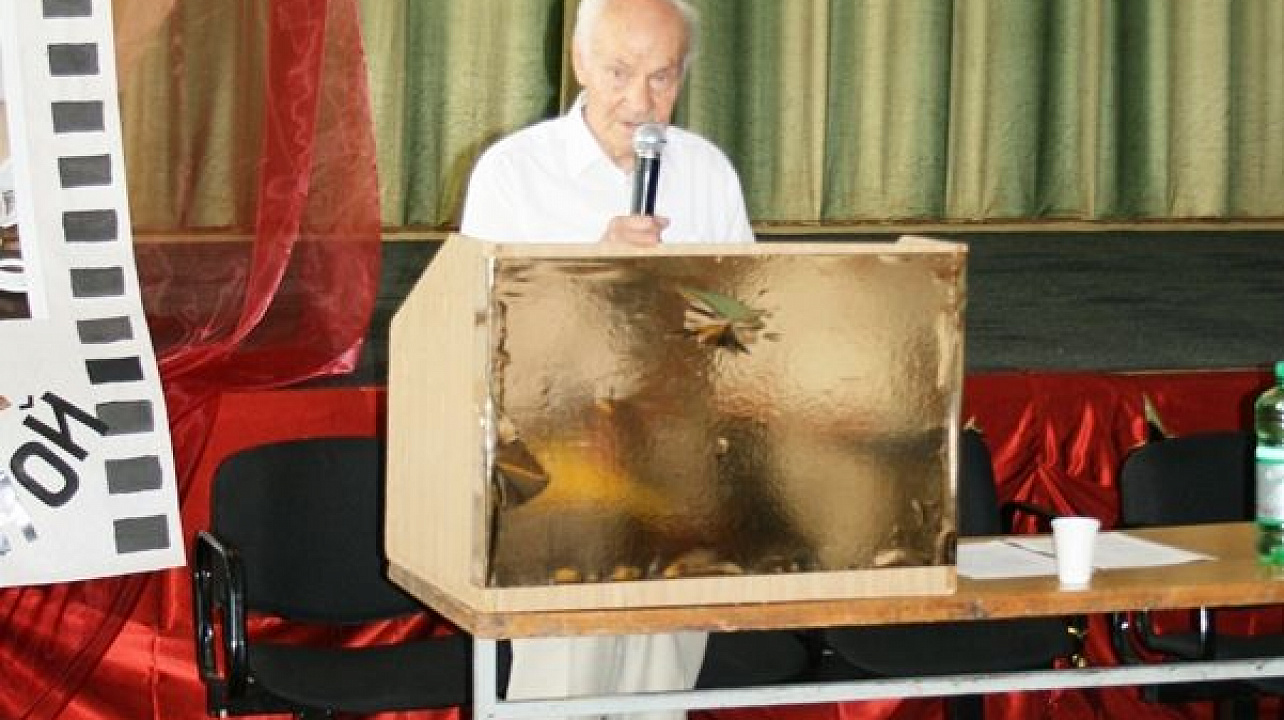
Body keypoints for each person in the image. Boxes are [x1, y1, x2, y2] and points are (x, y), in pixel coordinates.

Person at [459, 0, 754, 717]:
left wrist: (689, 305)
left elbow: (743, 329)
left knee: (659, 695)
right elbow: (479, 333)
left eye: (662, 77)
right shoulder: (514, 173)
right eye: (619, 72)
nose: (640, 101)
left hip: (675, 470)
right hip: (559, 472)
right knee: (560, 693)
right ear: (581, 62)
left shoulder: (707, 172)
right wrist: (595, 274)